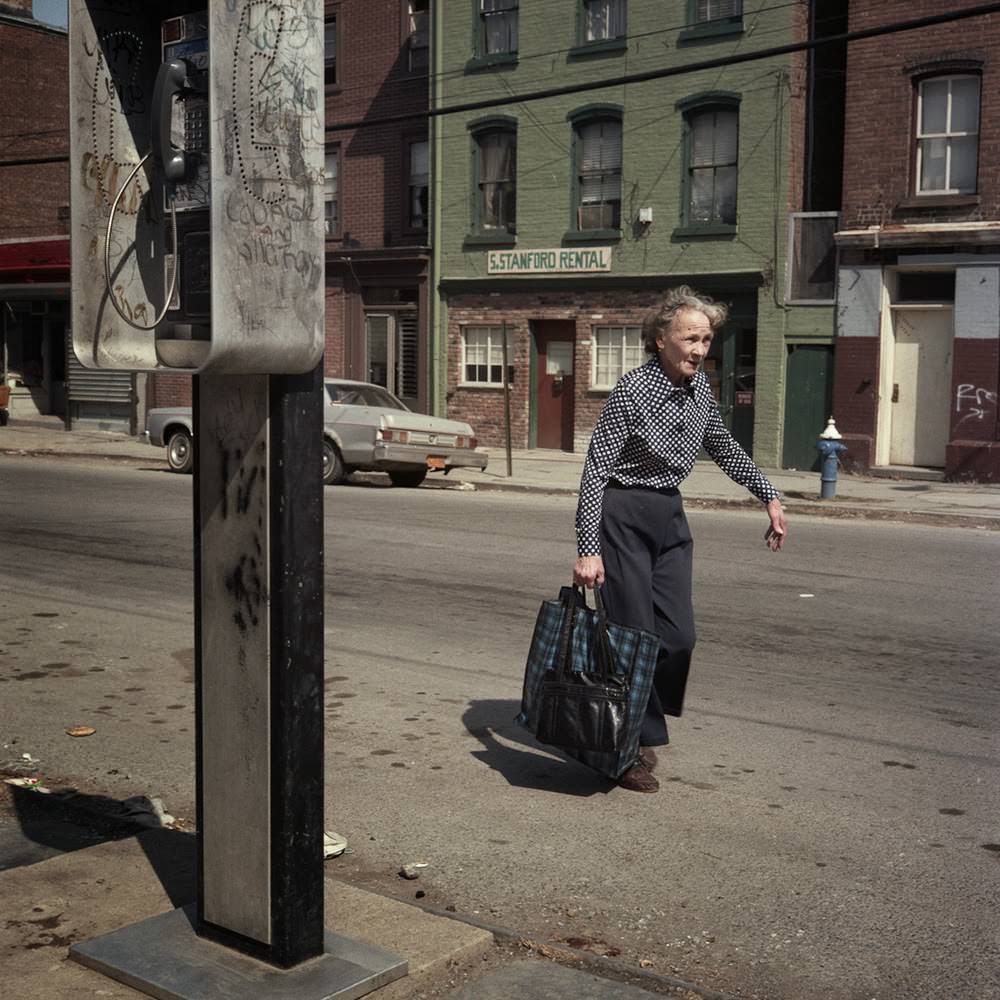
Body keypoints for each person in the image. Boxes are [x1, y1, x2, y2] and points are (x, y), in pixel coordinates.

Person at [573, 286, 787, 793]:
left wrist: (769, 496)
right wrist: (588, 547)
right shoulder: (631, 392)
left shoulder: (701, 393)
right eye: (690, 338)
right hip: (622, 514)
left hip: (669, 516)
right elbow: (595, 471)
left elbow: (724, 446)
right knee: (633, 638)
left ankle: (644, 715)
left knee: (678, 636)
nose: (699, 348)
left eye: (706, 339)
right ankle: (628, 750)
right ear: (661, 338)